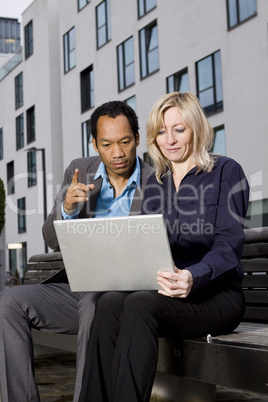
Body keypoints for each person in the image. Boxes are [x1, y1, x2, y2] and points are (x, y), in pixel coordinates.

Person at [78, 92, 250, 402]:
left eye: (178, 129)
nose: (168, 139)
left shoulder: (226, 171)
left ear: (196, 128)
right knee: (107, 303)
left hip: (216, 294)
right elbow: (146, 241)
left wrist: (192, 277)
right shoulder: (157, 182)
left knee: (139, 304)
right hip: (166, 292)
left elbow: (229, 243)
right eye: (160, 131)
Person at [0, 100, 154, 402]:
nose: (118, 153)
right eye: (107, 144)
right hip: (77, 288)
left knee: (93, 309)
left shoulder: (157, 179)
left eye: (124, 142)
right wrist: (67, 208)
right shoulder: (79, 170)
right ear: (94, 143)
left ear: (137, 137)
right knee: (8, 303)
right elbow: (50, 238)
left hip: (124, 296)